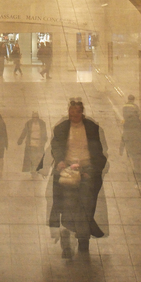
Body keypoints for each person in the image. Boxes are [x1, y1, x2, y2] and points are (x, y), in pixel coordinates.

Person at [49, 99, 107, 257]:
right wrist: (61, 161)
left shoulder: (91, 128)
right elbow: (56, 146)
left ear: (82, 113)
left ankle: (82, 239)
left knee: (85, 206)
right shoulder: (61, 129)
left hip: (87, 171)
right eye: (71, 113)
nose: (73, 116)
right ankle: (70, 240)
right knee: (68, 206)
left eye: (76, 113)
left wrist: (92, 171)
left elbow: (98, 152)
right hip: (68, 172)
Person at [119, 95, 141, 174]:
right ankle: (137, 168)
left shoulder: (124, 106)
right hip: (138, 145)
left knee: (134, 158)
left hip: (131, 146)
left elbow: (124, 137)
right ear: (133, 99)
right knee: (137, 159)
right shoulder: (135, 108)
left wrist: (121, 149)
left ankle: (136, 169)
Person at [17, 111, 47, 178]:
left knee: (38, 157)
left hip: (39, 143)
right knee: (33, 157)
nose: (35, 118)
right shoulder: (29, 123)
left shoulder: (42, 123)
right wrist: (20, 139)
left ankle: (36, 169)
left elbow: (44, 132)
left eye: (36, 117)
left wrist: (44, 140)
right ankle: (33, 171)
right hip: (31, 143)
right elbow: (24, 131)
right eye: (34, 117)